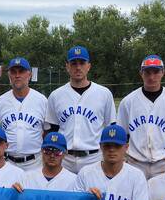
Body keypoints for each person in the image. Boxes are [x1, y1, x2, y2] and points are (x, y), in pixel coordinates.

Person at [46, 46, 116, 174]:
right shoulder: (56, 95)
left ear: (88, 66)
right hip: (64, 158)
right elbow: (51, 131)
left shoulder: (104, 93)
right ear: (67, 66)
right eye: (73, 63)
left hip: (94, 158)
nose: (78, 67)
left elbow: (109, 129)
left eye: (82, 63)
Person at [117, 55, 165, 179]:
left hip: (164, 163)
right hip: (135, 162)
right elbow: (121, 135)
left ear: (163, 72)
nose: (151, 77)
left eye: (156, 72)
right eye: (147, 72)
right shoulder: (128, 101)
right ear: (141, 73)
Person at [0, 57, 48, 171]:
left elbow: (47, 131)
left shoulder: (42, 100)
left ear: (29, 75)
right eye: (13, 72)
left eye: (21, 71)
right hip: (7, 163)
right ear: (9, 76)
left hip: (35, 163)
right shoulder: (0, 102)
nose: (17, 75)